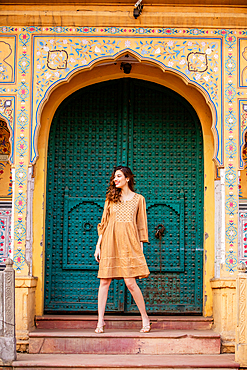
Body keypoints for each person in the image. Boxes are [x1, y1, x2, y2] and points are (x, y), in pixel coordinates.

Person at [94, 166, 151, 334]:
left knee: (131, 283)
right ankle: (100, 321)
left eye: (118, 176)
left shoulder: (139, 199)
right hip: (110, 242)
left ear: (127, 178)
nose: (115, 179)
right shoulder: (110, 199)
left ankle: (145, 318)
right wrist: (98, 246)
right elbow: (103, 224)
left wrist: (140, 248)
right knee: (104, 281)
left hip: (129, 243)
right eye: (114, 177)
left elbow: (141, 225)